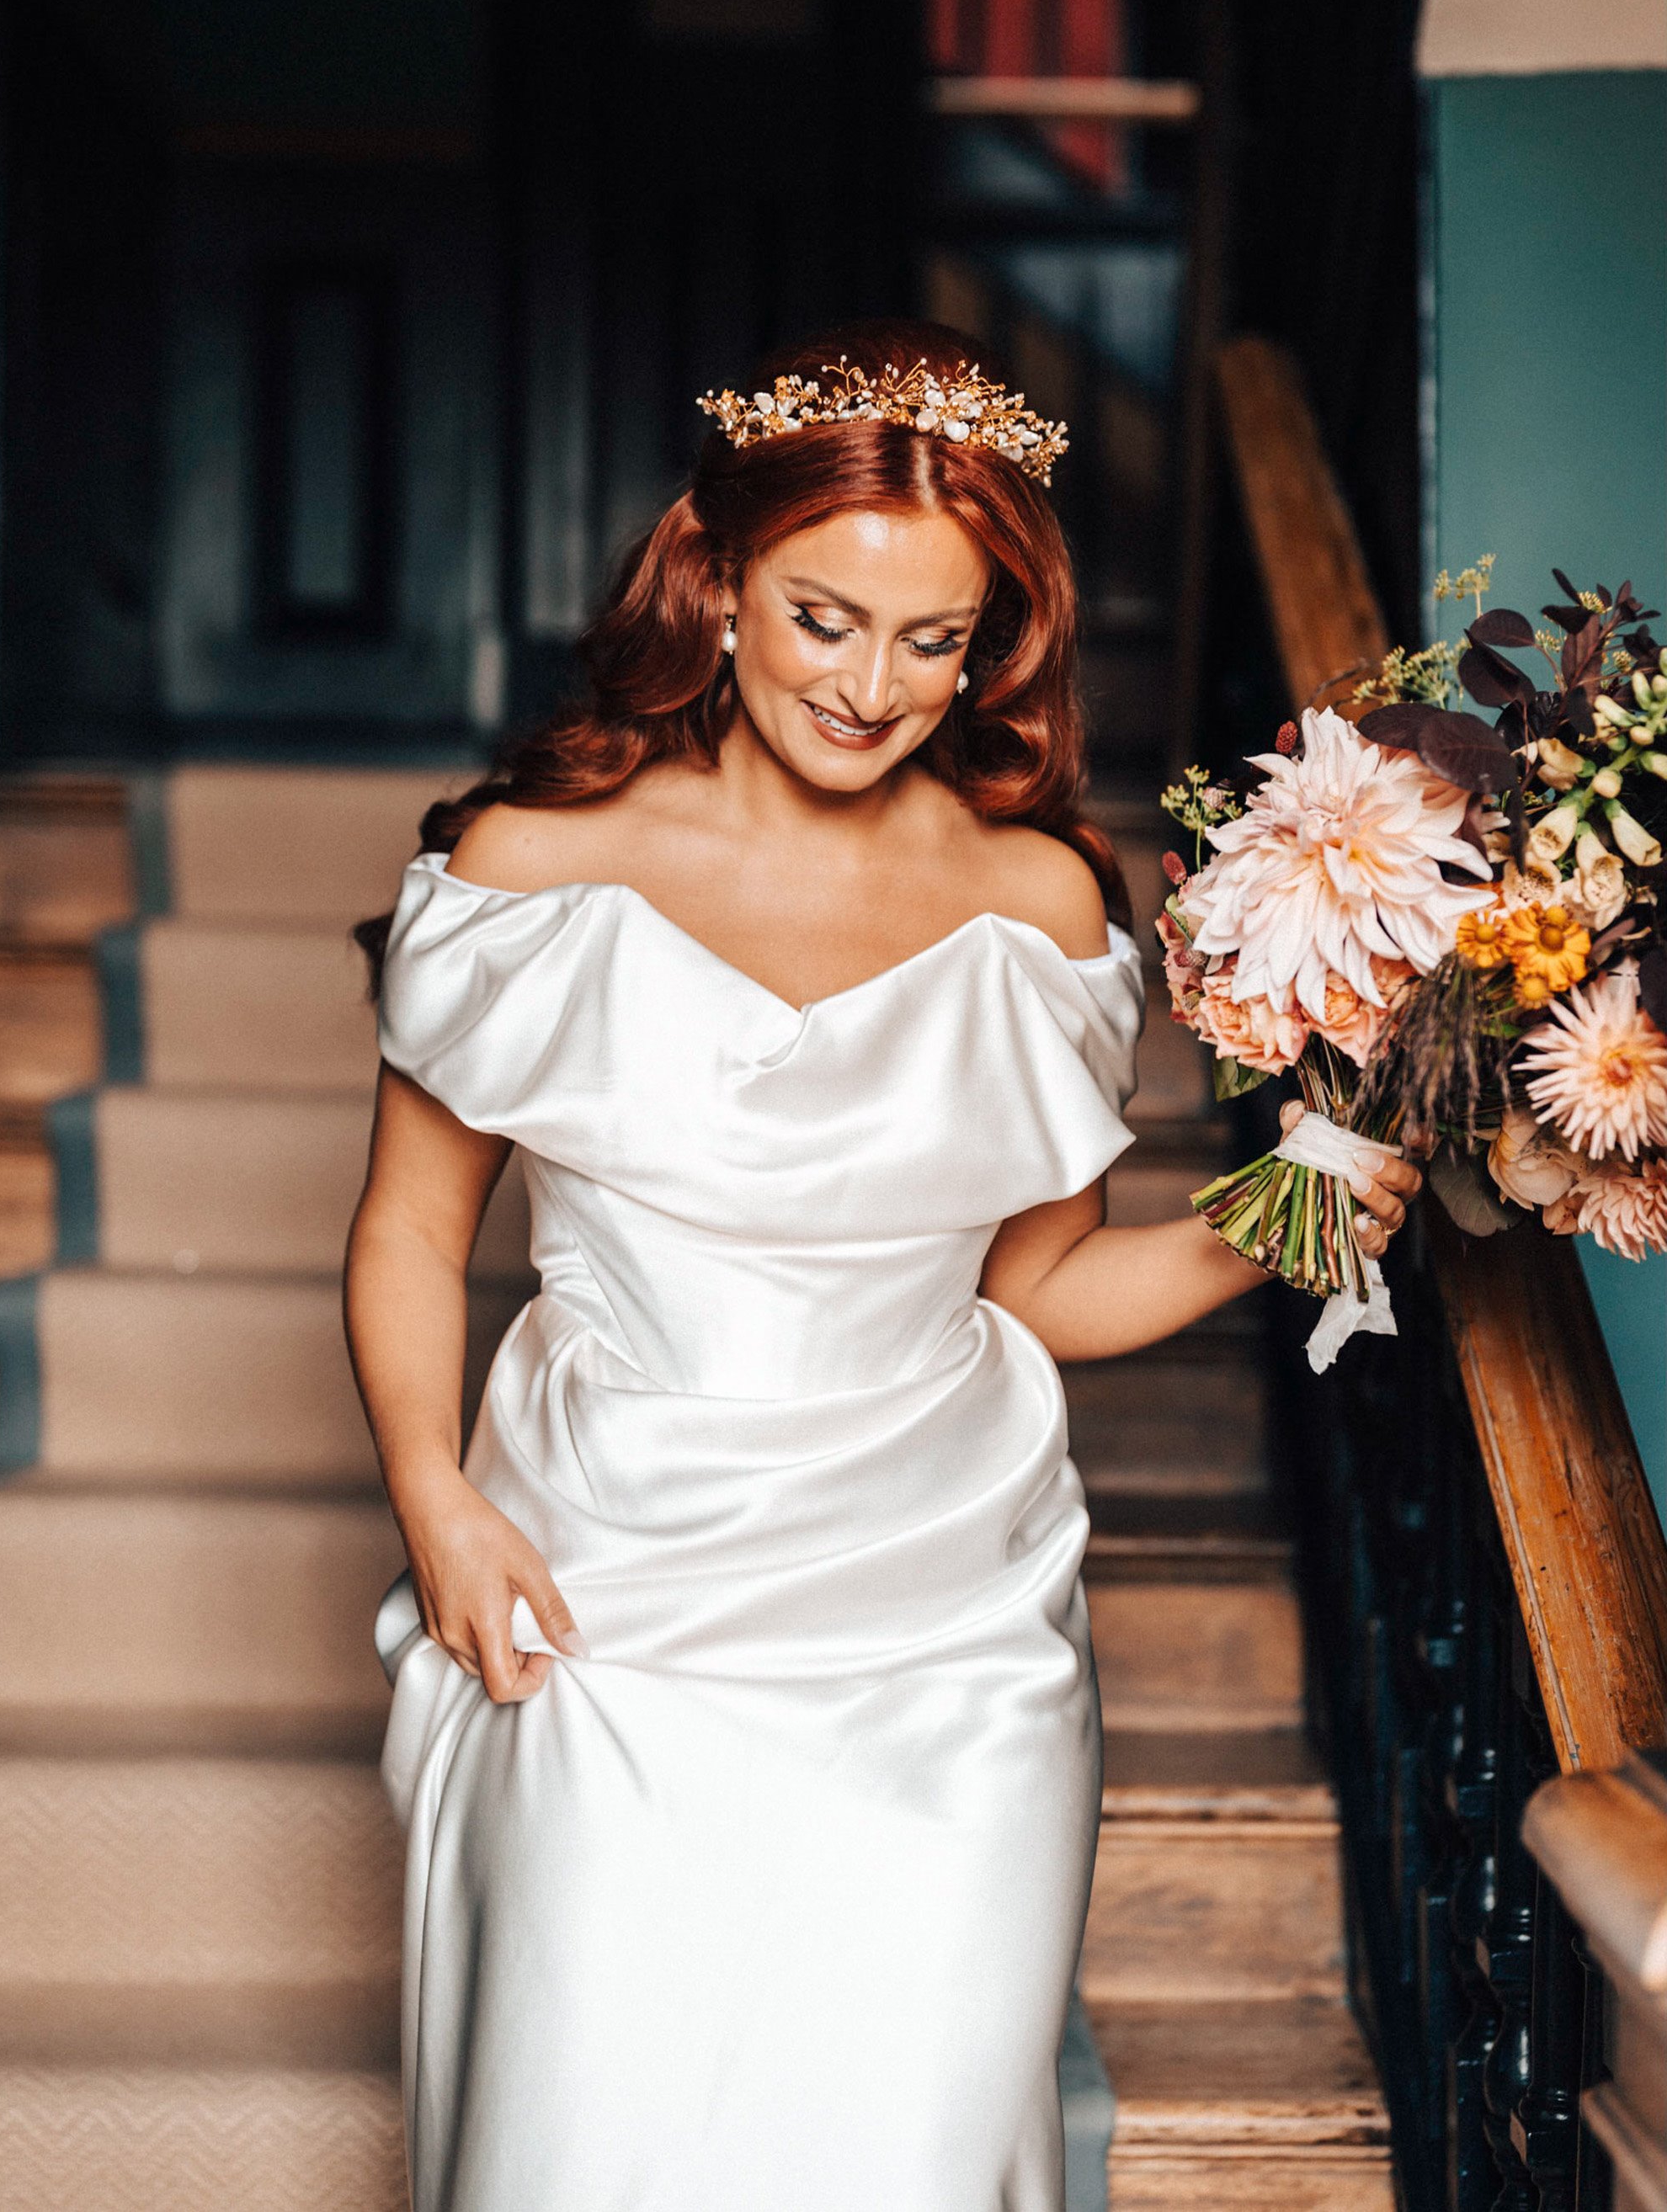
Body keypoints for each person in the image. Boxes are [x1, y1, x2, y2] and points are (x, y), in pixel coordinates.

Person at [344, 322, 1419, 2212]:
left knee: (903, 2150)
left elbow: (1042, 1297)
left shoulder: (1042, 902)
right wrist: (437, 1500)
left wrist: (1307, 1206)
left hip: (947, 1630)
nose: (874, 685)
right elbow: (414, 1234)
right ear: (717, 579)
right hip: (614, 1596)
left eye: (936, 640)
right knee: (593, 2138)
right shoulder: (533, 866)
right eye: (825, 617)